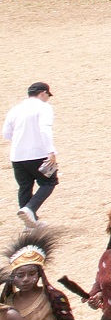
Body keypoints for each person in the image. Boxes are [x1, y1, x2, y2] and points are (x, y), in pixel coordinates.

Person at [3, 85, 56, 225]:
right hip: (38, 153)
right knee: (49, 182)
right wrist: (51, 151)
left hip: (17, 156)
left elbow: (6, 133)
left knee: (25, 186)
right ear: (43, 93)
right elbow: (45, 129)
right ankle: (30, 209)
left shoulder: (14, 109)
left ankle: (30, 223)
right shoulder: (43, 107)